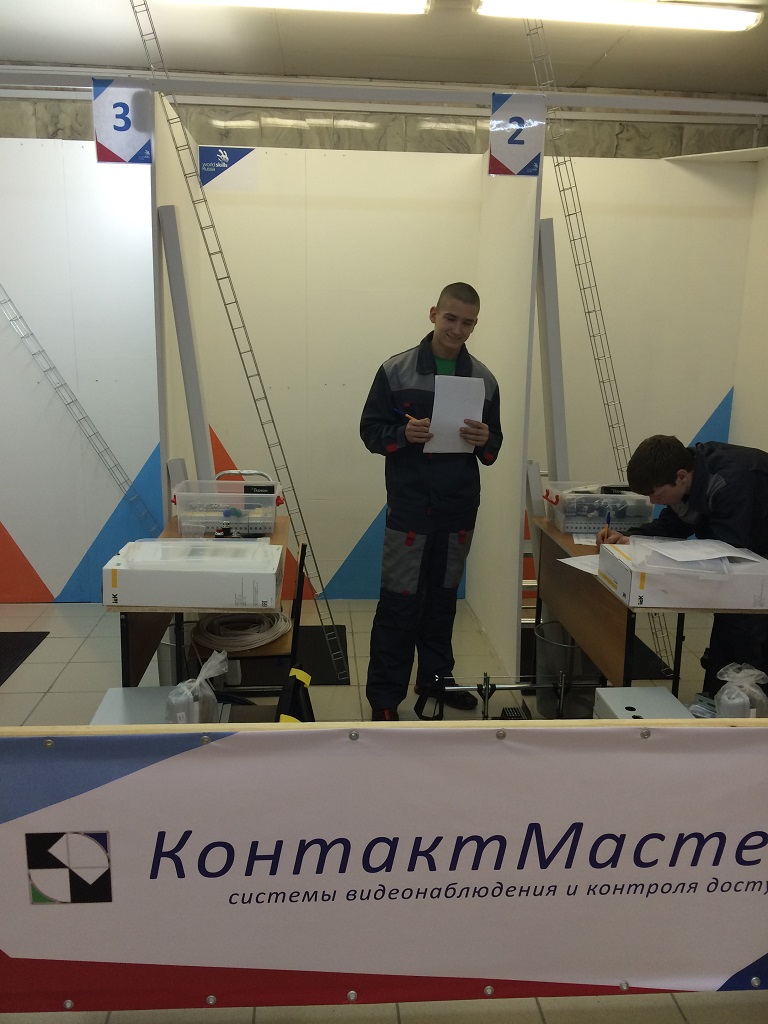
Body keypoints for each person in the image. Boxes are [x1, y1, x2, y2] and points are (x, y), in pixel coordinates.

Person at [360, 282, 502, 721]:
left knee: (442, 602)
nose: (457, 329)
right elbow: (370, 433)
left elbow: (493, 447)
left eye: (468, 322)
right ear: (433, 314)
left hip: (459, 510)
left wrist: (485, 438)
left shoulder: (484, 380)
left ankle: (435, 679)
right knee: (399, 604)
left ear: (475, 324)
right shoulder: (396, 371)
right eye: (450, 318)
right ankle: (385, 698)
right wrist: (402, 434)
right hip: (410, 510)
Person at [597, 434, 768, 695]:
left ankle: (744, 705)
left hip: (757, 562)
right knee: (728, 633)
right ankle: (718, 700)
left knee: (748, 637)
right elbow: (674, 525)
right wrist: (630, 537)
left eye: (655, 494)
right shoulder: (686, 474)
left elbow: (725, 550)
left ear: (681, 476)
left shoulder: (730, 482)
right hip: (747, 553)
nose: (652, 502)